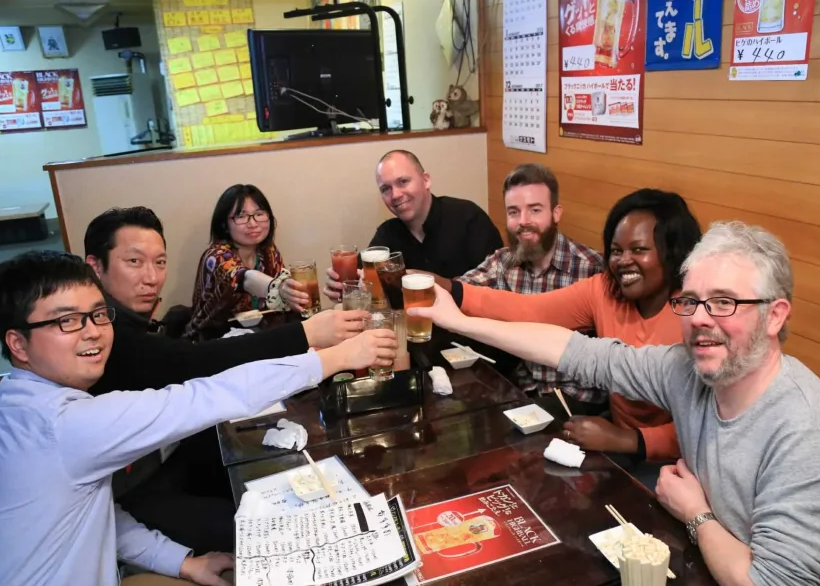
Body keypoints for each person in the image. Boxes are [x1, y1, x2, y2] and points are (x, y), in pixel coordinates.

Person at [411, 222, 820, 586]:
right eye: (691, 301)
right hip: (723, 582)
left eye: (724, 302)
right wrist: (461, 322)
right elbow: (576, 351)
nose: (700, 319)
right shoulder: (685, 370)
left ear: (775, 316)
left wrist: (696, 514)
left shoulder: (812, 430)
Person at [0, 250, 396, 586]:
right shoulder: (62, 426)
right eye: (66, 321)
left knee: (237, 580)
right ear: (18, 343)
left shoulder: (1, 407)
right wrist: (334, 357)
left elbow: (90, 514)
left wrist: (183, 563)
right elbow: (206, 395)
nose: (92, 333)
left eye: (97, 314)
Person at [83, 206, 370, 553]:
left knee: (266, 460)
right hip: (126, 496)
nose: (151, 277)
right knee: (272, 528)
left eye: (159, 262)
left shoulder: (269, 253)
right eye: (134, 262)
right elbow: (194, 363)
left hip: (162, 458)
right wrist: (307, 334)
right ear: (95, 266)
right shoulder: (101, 334)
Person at [449, 190, 701, 466]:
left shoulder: (697, 313)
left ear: (672, 253)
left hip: (679, 461)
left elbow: (705, 425)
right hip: (618, 442)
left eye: (639, 250)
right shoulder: (604, 288)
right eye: (616, 250)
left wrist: (627, 440)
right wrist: (451, 291)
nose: (623, 260)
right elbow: (532, 311)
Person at [457, 163, 604, 405]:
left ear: (556, 213)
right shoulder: (503, 261)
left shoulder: (592, 268)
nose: (523, 221)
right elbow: (460, 290)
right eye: (513, 212)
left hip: (578, 401)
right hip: (524, 393)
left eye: (535, 210)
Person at [322, 149, 503, 303]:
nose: (395, 195)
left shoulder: (468, 218)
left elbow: (498, 289)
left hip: (468, 330)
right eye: (386, 189)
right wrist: (341, 286)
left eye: (403, 182)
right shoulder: (387, 234)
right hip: (411, 330)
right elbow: (359, 281)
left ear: (426, 180)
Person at [184, 184, 307, 340]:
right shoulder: (215, 257)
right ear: (224, 224)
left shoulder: (268, 252)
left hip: (259, 340)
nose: (253, 224)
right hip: (213, 343)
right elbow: (242, 278)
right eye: (241, 216)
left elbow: (280, 311)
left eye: (259, 214)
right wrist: (279, 288)